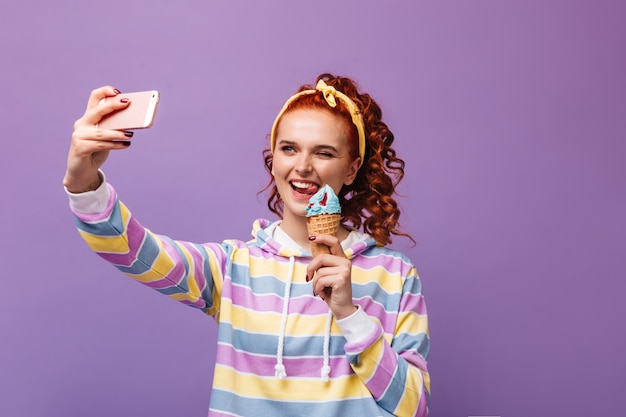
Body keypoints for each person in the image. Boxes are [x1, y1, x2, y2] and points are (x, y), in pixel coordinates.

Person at [64, 74, 431, 416]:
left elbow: (414, 408)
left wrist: (350, 315)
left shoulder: (396, 276)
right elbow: (130, 250)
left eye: (323, 153)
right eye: (289, 148)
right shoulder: (234, 268)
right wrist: (83, 180)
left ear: (351, 169)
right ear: (274, 160)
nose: (303, 166)